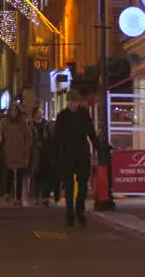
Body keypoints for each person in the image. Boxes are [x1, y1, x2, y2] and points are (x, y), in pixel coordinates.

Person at [54, 89, 100, 228]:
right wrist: (57, 156)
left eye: (75, 102)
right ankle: (70, 213)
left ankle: (80, 210)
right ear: (67, 102)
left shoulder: (84, 115)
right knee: (68, 186)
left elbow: (91, 133)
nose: (73, 104)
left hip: (82, 154)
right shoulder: (62, 116)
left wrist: (98, 147)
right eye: (71, 102)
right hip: (68, 154)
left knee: (82, 185)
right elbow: (57, 139)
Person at [1, 103, 33, 207]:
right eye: (12, 111)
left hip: (20, 151)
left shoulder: (22, 123)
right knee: (9, 173)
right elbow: (2, 135)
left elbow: (28, 136)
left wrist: (26, 148)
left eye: (15, 111)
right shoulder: (5, 122)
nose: (13, 113)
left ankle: (18, 197)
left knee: (19, 174)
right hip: (9, 150)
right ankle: (7, 194)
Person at [30, 106, 54, 206]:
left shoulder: (46, 125)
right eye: (39, 112)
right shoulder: (31, 126)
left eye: (41, 112)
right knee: (37, 175)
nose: (41, 113)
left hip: (46, 152)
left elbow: (50, 137)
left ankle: (45, 196)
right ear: (35, 114)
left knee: (46, 175)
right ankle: (37, 197)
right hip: (35, 153)